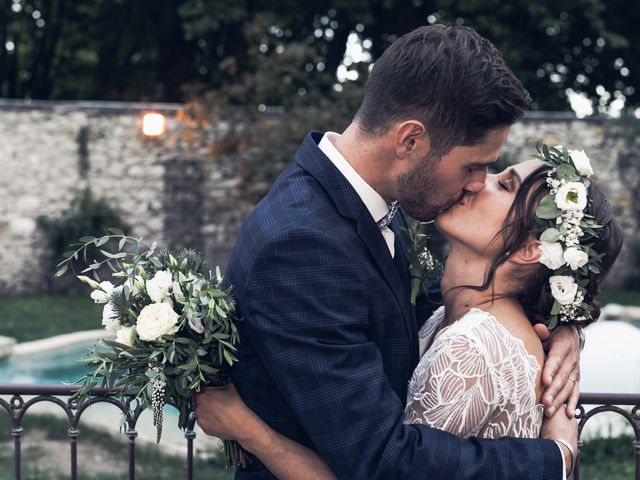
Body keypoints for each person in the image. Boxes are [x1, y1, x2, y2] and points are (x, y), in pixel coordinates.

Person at [196, 25, 585, 479]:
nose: (479, 183)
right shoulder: (302, 245)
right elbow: (381, 461)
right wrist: (554, 457)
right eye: (473, 165)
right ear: (410, 140)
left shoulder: (374, 204)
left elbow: (437, 310)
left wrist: (563, 327)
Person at [195, 151, 623, 479]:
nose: (478, 182)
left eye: (504, 183)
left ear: (533, 250)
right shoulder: (452, 314)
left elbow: (388, 467)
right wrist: (569, 325)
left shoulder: (470, 349)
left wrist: (245, 428)